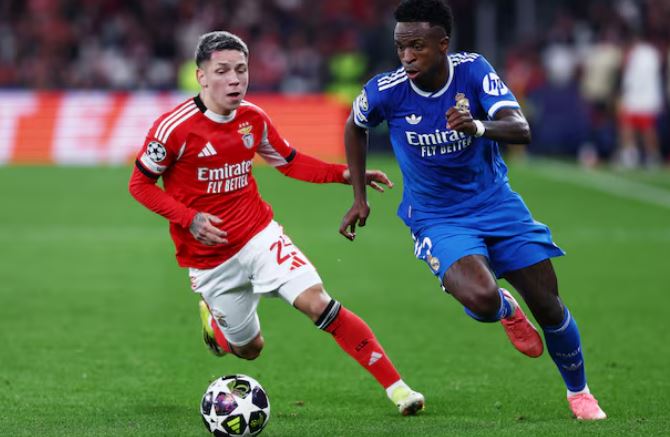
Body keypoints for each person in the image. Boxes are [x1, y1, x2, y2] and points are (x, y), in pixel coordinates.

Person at [128, 30, 424, 416]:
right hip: (209, 259)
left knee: (317, 303)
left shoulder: (253, 119)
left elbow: (289, 161)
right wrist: (190, 218)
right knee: (250, 350)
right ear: (201, 76)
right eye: (222, 71)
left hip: (259, 236)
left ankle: (399, 389)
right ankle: (216, 328)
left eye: (241, 70)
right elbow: (139, 184)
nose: (234, 79)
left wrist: (345, 174)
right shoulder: (174, 128)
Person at [339, 0, 606, 421]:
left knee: (549, 305)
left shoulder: (474, 71)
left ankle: (580, 393)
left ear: (442, 44)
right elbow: (355, 126)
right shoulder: (385, 91)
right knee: (482, 299)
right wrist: (359, 196)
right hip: (437, 217)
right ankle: (504, 309)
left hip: (497, 205)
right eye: (400, 47)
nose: (407, 56)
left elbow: (521, 128)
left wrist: (477, 126)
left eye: (417, 46)